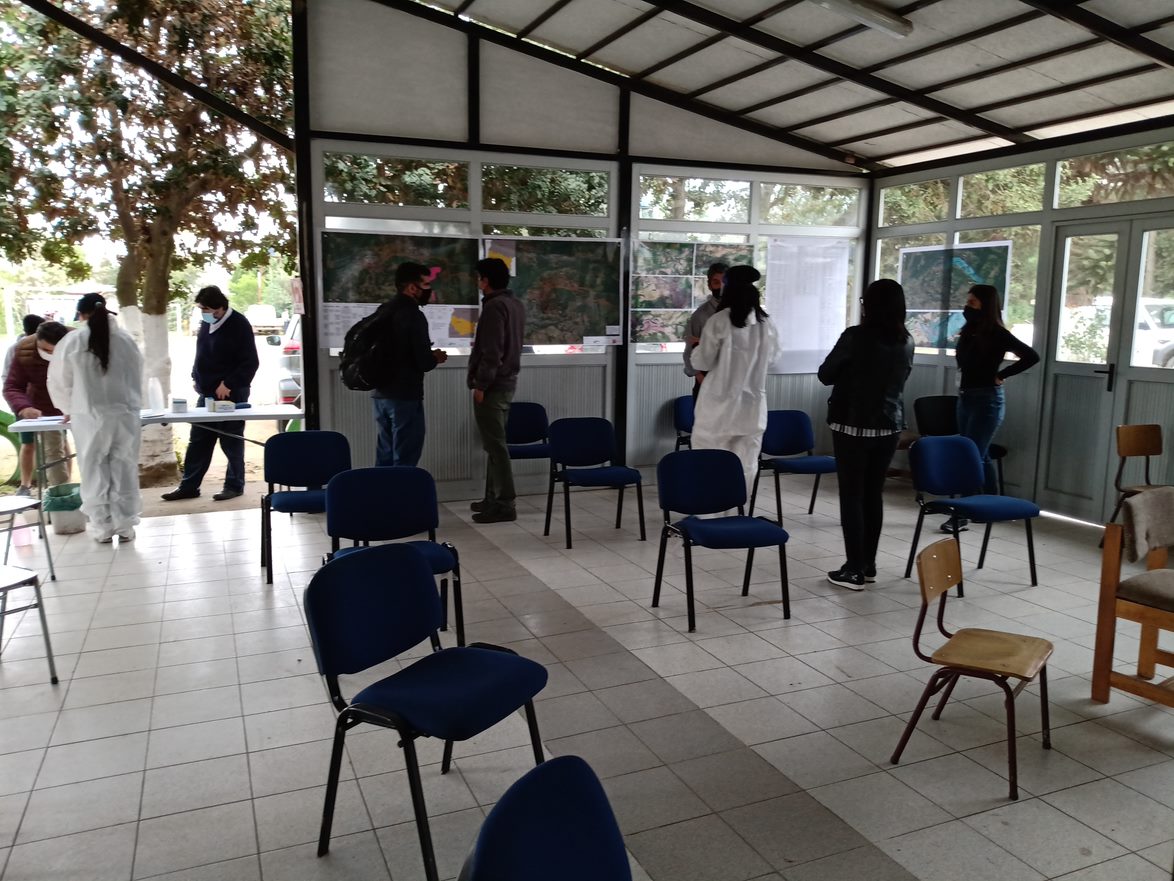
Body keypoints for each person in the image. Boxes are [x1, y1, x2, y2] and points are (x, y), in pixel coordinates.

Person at [818, 279, 914, 590]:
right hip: (889, 425)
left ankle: (853, 569)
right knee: (873, 494)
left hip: (853, 424)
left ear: (868, 305)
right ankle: (868, 565)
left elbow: (825, 374)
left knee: (852, 495)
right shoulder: (906, 340)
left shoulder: (855, 336)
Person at [944, 283, 1040, 532]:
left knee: (970, 455)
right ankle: (992, 504)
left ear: (985, 305)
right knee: (980, 453)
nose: (967, 307)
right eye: (967, 301)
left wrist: (1002, 375)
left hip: (987, 400)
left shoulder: (997, 333)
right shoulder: (968, 331)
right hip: (965, 397)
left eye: (972, 302)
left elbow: (1031, 356)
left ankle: (962, 513)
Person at [48, 294, 143, 542]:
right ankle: (125, 526)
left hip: (88, 417)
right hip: (124, 416)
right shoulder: (126, 341)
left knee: (93, 471)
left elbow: (59, 381)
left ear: (82, 315)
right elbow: (138, 378)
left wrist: (67, 408)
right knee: (124, 469)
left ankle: (102, 528)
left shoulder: (73, 341)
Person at [162, 285, 259, 501]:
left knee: (230, 440)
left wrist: (229, 383)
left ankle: (234, 485)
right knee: (199, 439)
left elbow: (250, 362)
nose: (203, 313)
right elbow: (202, 353)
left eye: (205, 309)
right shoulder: (207, 324)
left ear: (219, 307)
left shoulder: (239, 324)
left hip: (230, 393)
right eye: (201, 309)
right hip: (206, 393)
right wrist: (196, 376)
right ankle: (189, 486)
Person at [689, 265, 779, 499]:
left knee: (710, 463)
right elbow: (773, 359)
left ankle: (711, 514)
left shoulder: (719, 320)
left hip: (717, 410)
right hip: (751, 409)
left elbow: (703, 361)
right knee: (746, 464)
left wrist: (697, 347)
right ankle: (738, 511)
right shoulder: (766, 324)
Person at [370, 262, 448, 467]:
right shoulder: (414, 315)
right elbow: (424, 361)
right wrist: (436, 357)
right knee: (405, 458)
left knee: (385, 455)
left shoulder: (383, 310)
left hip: (381, 394)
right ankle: (402, 489)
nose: (429, 290)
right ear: (412, 287)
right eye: (426, 284)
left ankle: (380, 489)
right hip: (405, 395)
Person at [468, 257, 525, 524]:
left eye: (479, 277)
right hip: (507, 383)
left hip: (493, 386)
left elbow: (492, 352)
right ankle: (492, 498)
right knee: (494, 445)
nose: (478, 282)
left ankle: (504, 503)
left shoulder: (494, 307)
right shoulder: (514, 304)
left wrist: (481, 385)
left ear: (486, 280)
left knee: (496, 446)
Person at [3, 314, 46, 495]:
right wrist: (21, 406)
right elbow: (9, 381)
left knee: (58, 444)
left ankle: (62, 485)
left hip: (50, 405)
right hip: (26, 406)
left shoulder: (49, 345)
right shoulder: (16, 349)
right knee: (28, 444)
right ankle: (25, 485)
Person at [683, 263, 727, 401]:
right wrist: (702, 379)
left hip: (732, 383)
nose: (721, 287)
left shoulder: (740, 313)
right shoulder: (701, 315)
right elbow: (689, 352)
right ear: (709, 285)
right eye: (716, 282)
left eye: (725, 282)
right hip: (706, 382)